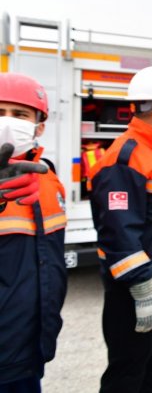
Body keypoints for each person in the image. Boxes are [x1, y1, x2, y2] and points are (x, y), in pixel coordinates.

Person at [89, 66, 152, 393]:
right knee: (127, 373)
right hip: (137, 292)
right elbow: (119, 235)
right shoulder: (125, 156)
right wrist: (144, 289)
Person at [0, 73, 66, 393]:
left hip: (31, 344)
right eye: (0, 113)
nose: (8, 122)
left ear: (39, 126)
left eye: (20, 114)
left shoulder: (49, 179)